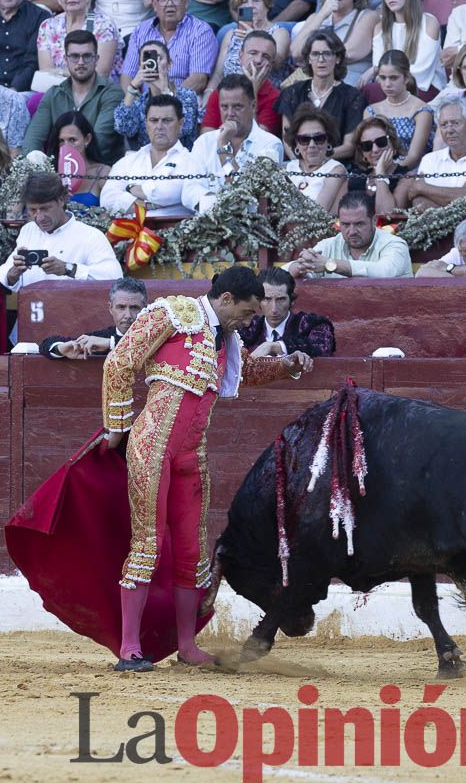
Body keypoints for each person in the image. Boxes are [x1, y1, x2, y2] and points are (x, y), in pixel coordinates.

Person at [101, 265, 312, 671]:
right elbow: (119, 363)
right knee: (147, 545)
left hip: (190, 455)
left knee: (191, 552)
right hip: (153, 447)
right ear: (227, 300)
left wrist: (285, 366)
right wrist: (117, 429)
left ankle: (187, 646)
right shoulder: (173, 313)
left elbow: (246, 371)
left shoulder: (226, 337)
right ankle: (129, 647)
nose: (253, 320)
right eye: (250, 312)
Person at [0, 172, 123, 292]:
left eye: (45, 208)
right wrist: (14, 272)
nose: (39, 217)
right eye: (32, 210)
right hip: (32, 310)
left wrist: (68, 269)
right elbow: (5, 276)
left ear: (61, 200)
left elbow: (114, 277)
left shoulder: (90, 236)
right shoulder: (28, 230)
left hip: (74, 312)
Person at [182, 74, 285, 211]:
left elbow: (247, 196)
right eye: (224, 107)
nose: (230, 113)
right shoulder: (204, 142)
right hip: (207, 224)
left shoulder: (270, 145)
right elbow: (189, 192)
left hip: (251, 228)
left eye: (237, 107)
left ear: (253, 106)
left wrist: (224, 149)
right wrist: (220, 206)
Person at [23, 30, 127, 161]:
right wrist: (36, 162)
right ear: (66, 59)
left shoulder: (112, 93)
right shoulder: (53, 95)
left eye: (87, 56)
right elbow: (32, 141)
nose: (81, 62)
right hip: (57, 171)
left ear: (96, 59)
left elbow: (100, 142)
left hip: (99, 172)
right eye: (74, 56)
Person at [395, 95, 466, 210]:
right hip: (433, 227)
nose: (449, 130)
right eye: (444, 125)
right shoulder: (430, 160)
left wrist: (423, 187)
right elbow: (419, 202)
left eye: (455, 123)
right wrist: (456, 202)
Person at [101, 95, 199, 213]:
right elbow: (107, 199)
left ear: (181, 124)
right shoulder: (129, 160)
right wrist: (147, 206)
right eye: (154, 120)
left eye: (167, 120)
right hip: (129, 230)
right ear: (146, 124)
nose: (159, 126)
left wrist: (130, 189)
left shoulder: (191, 161)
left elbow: (168, 193)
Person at [279, 30, 365, 160]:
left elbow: (349, 147)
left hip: (336, 165)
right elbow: (287, 140)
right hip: (297, 165)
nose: (321, 59)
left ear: (338, 58)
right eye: (315, 54)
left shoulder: (352, 96)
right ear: (308, 59)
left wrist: (318, 159)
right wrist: (300, 164)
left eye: (327, 54)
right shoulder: (292, 93)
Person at [285, 190, 411, 278]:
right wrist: (299, 267)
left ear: (374, 220)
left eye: (359, 224)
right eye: (345, 224)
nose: (352, 232)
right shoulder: (329, 245)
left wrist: (331, 264)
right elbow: (291, 270)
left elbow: (385, 272)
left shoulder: (395, 244)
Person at [119, 0, 217, 94]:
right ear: (154, 4)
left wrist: (168, 98)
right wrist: (136, 102)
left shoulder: (200, 31)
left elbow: (199, 79)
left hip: (182, 103)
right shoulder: (141, 31)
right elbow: (127, 75)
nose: (169, 3)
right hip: (145, 103)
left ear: (186, 2)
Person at [117, 38, 203, 150]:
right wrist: (133, 87)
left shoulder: (187, 96)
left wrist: (164, 90)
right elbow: (124, 128)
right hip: (146, 161)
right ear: (140, 66)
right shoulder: (139, 102)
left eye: (159, 58)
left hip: (181, 158)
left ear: (169, 64)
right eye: (147, 59)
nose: (153, 63)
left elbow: (183, 129)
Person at [205, 0, 291, 96]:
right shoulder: (231, 35)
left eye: (256, 1)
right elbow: (218, 74)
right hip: (228, 98)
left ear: (267, 4)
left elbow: (277, 62)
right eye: (244, 2)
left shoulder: (279, 32)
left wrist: (254, 37)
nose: (250, 6)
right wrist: (208, 93)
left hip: (264, 97)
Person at [359, 0, 445, 95]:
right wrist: (377, 70)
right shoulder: (380, 28)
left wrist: (374, 70)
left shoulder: (429, 23)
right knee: (369, 90)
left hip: (422, 88)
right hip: (389, 86)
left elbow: (421, 71)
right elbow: (380, 71)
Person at [289, 0, 378, 86]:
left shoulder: (368, 16)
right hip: (314, 80)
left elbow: (350, 53)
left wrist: (310, 55)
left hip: (348, 81)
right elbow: (296, 52)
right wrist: (321, 15)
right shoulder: (315, 18)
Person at [40, 277, 148, 358]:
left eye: (134, 308)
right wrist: (60, 349)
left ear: (145, 309)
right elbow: (46, 344)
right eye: (121, 307)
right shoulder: (100, 338)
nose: (128, 315)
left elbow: (145, 344)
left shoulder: (156, 334)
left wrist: (110, 343)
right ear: (110, 308)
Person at [239, 267, 336, 357]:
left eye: (280, 299)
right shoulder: (247, 327)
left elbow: (323, 347)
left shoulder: (312, 324)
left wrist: (275, 347)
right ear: (258, 300)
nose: (274, 309)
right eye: (267, 299)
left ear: (291, 300)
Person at [362, 49, 431, 168]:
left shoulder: (421, 110)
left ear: (406, 78)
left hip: (409, 174)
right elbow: (366, 151)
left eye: (393, 78)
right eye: (383, 78)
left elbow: (414, 156)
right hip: (375, 171)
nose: (387, 84)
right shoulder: (370, 111)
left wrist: (387, 171)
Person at [201, 32, 278, 137]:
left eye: (265, 56)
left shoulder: (275, 97)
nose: (258, 60)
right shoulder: (223, 91)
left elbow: (258, 141)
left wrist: (253, 91)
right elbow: (206, 137)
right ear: (240, 56)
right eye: (253, 53)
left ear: (272, 64)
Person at [37, 0, 122, 79]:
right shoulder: (47, 26)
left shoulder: (104, 25)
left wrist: (60, 73)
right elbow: (45, 72)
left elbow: (100, 73)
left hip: (98, 91)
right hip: (58, 90)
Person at [283, 105, 347, 212]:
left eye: (319, 138)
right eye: (304, 139)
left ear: (328, 141)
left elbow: (318, 213)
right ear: (296, 144)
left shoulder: (335, 170)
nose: (312, 145)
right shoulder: (289, 167)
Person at [42, 111, 113, 204]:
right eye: (61, 141)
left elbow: (111, 211)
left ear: (87, 139)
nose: (66, 146)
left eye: (72, 140)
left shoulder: (102, 172)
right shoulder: (50, 174)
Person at [347, 114, 409, 210]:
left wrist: (380, 174)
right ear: (362, 152)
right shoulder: (355, 176)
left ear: (393, 142)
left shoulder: (406, 177)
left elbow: (387, 217)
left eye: (381, 141)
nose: (375, 150)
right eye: (367, 145)